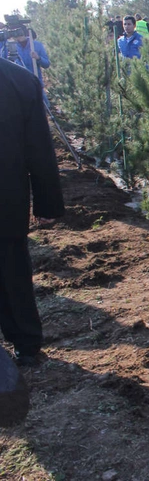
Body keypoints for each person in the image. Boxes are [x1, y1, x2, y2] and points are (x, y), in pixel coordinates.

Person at [0, 58, 65, 368]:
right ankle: (25, 343)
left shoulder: (21, 81)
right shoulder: (20, 80)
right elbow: (39, 149)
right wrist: (47, 203)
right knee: (12, 268)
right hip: (7, 196)